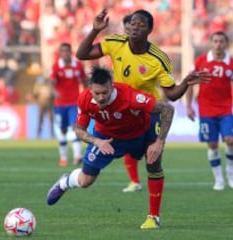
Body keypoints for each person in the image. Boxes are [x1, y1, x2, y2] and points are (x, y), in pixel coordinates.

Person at [75, 9, 209, 228]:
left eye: (140, 25)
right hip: (120, 106)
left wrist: (185, 82)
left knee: (154, 161)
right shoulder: (115, 42)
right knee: (95, 172)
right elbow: (82, 54)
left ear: (149, 30)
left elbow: (171, 96)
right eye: (131, 23)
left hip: (148, 111)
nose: (134, 27)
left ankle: (153, 217)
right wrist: (94, 30)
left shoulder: (159, 59)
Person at [46, 66, 174, 229]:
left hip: (140, 133)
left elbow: (167, 109)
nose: (100, 97)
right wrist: (96, 141)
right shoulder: (84, 99)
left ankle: (154, 217)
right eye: (96, 93)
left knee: (154, 162)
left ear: (111, 86)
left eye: (104, 93)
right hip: (107, 137)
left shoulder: (129, 97)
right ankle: (65, 182)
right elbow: (79, 130)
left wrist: (159, 141)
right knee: (86, 181)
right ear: (90, 88)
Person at [186, 31, 233, 191]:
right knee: (212, 144)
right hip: (206, 110)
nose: (218, 44)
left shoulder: (232, 64)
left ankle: (230, 171)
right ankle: (218, 179)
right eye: (216, 41)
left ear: (226, 44)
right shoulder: (201, 62)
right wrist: (189, 106)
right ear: (211, 43)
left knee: (230, 141)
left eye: (221, 41)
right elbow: (190, 82)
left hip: (225, 109)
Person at [50, 43, 87, 167]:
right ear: (60, 53)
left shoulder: (77, 65)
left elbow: (84, 80)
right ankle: (64, 157)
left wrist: (87, 92)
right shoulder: (56, 66)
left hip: (74, 103)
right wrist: (54, 91)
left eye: (67, 51)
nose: (65, 53)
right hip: (60, 104)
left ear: (70, 52)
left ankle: (77, 156)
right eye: (62, 51)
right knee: (63, 129)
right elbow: (52, 82)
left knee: (75, 127)